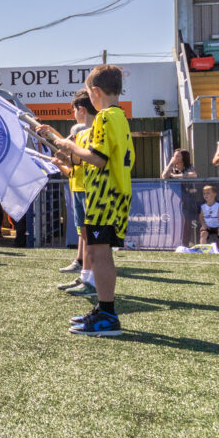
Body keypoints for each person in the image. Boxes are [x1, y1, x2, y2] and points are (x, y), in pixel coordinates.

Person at [46, 64, 134, 337]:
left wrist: (70, 146)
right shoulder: (116, 116)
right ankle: (103, 308)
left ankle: (108, 314)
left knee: (101, 253)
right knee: (95, 251)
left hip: (105, 196)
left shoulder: (107, 117)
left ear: (95, 91)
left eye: (88, 92)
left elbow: (97, 158)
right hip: (103, 195)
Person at [53, 90, 97, 284]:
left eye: (74, 110)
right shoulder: (85, 131)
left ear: (81, 109)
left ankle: (89, 276)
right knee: (85, 233)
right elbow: (76, 162)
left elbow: (85, 160)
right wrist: (65, 160)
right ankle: (85, 275)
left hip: (89, 187)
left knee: (90, 234)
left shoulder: (92, 131)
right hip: (82, 185)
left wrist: (68, 155)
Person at [199, 185, 219, 249]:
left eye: (208, 193)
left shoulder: (218, 204)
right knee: (203, 234)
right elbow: (201, 217)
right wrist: (204, 225)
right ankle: (204, 250)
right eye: (204, 194)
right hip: (208, 226)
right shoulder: (202, 205)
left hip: (217, 226)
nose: (206, 195)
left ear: (215, 194)